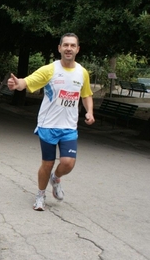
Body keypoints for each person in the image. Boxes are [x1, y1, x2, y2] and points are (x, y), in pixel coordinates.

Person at [7, 33, 95, 211]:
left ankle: (55, 178)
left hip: (69, 126)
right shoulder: (50, 70)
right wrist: (18, 84)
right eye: (65, 45)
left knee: (68, 162)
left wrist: (89, 112)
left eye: (72, 45)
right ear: (59, 48)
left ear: (77, 49)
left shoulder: (82, 72)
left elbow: (86, 95)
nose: (69, 48)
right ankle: (40, 195)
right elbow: (29, 81)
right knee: (47, 163)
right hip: (48, 125)